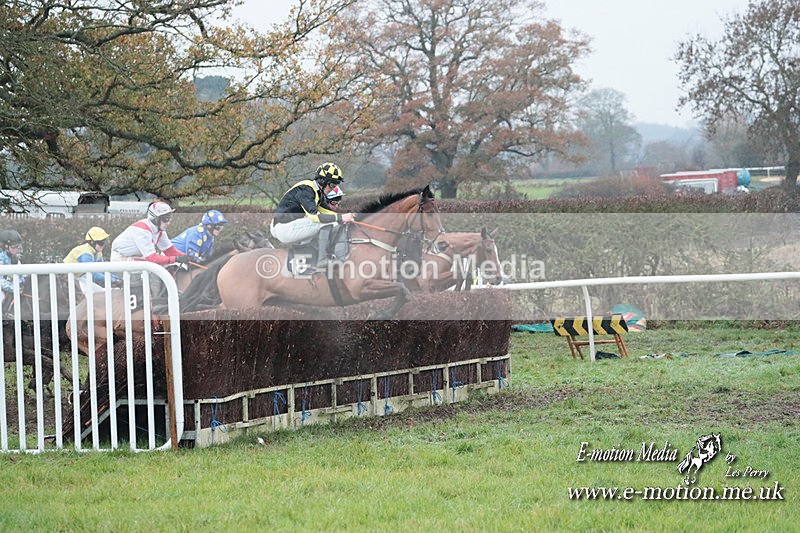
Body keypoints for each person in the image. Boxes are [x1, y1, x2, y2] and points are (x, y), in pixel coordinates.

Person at [270, 162, 355, 267]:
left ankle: (307, 256)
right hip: (283, 228)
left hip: (286, 225)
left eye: (336, 185)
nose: (333, 188)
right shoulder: (306, 189)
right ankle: (322, 259)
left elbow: (329, 212)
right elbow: (315, 217)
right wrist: (340, 217)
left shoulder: (317, 192)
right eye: (332, 185)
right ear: (323, 181)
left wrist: (350, 217)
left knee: (332, 221)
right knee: (323, 223)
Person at [110, 200, 188, 266]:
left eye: (169, 219)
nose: (168, 223)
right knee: (154, 266)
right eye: (166, 219)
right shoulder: (142, 230)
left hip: (135, 257)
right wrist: (176, 259)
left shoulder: (160, 231)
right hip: (120, 259)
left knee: (167, 266)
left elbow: (170, 251)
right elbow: (152, 258)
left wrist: (188, 257)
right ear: (155, 219)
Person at [63, 227, 120, 295]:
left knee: (99, 291)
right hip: (64, 279)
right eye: (101, 242)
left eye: (104, 242)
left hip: (77, 277)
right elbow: (93, 274)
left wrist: (116, 279)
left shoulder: (97, 253)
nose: (103, 245)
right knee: (88, 295)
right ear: (92, 242)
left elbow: (102, 269)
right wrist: (113, 281)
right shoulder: (85, 253)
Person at [0, 229, 25, 312]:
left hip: (11, 287)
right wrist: (13, 287)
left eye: (18, 247)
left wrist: (21, 283)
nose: (16, 249)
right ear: (6, 246)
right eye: (14, 247)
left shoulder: (15, 259)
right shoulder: (1, 258)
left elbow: (22, 274)